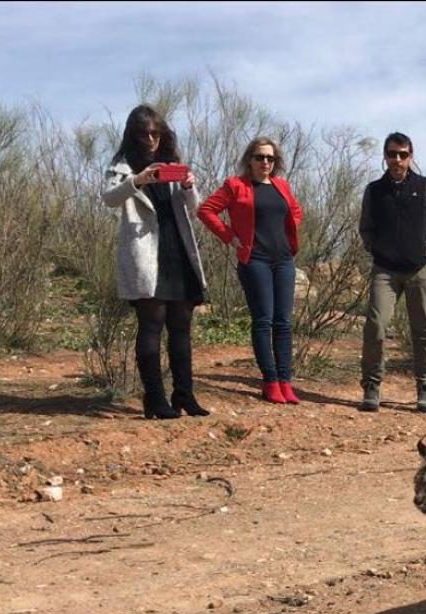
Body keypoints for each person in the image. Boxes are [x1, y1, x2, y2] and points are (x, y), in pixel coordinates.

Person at [102, 104, 209, 420]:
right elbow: (108, 198)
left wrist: (189, 186)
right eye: (144, 133)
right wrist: (138, 180)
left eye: (156, 133)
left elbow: (196, 209)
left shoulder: (172, 164)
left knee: (182, 326)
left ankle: (184, 395)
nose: (151, 139)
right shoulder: (122, 166)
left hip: (178, 248)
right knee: (151, 323)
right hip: (145, 252)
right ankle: (154, 399)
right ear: (133, 135)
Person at [198, 137, 304, 404]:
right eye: (260, 157)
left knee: (284, 323)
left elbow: (295, 211)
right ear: (249, 159)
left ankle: (285, 380)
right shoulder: (236, 186)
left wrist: (289, 232)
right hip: (255, 260)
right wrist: (230, 237)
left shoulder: (281, 186)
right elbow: (206, 210)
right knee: (264, 320)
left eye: (270, 158)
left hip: (283, 260)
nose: (265, 162)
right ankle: (270, 381)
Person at [357, 132, 426, 413]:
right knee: (375, 326)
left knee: (423, 331)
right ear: (384, 157)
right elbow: (365, 227)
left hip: (419, 269)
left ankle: (425, 390)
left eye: (403, 154)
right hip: (384, 270)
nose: (397, 160)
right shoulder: (374, 190)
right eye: (392, 154)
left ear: (411, 156)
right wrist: (375, 247)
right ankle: (371, 388)